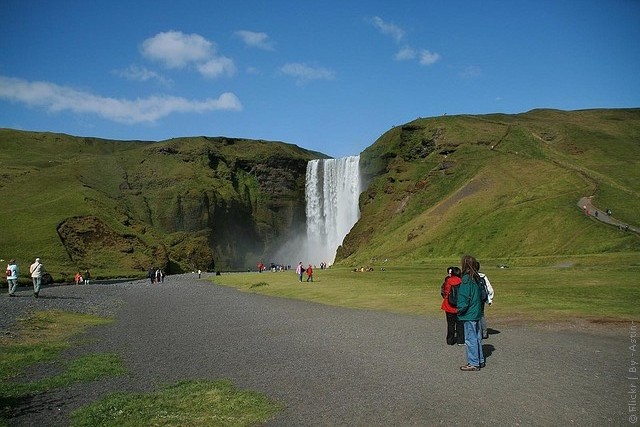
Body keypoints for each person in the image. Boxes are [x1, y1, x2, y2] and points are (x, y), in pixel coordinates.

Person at [456, 254, 485, 371]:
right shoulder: (477, 278)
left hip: (470, 312)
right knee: (477, 337)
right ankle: (480, 359)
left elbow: (464, 297)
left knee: (470, 338)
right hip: (477, 311)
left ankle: (473, 362)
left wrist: (459, 309)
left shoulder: (467, 279)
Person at [440, 266, 464, 345]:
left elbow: (446, 291)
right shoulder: (461, 281)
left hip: (448, 305)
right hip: (459, 305)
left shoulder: (448, 280)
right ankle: (460, 340)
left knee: (450, 324)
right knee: (460, 324)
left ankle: (450, 340)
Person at [475, 260, 495, 339]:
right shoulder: (482, 276)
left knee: (476, 315)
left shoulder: (471, 276)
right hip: (482, 298)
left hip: (475, 298)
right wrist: (490, 299)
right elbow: (489, 288)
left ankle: (479, 333)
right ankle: (484, 332)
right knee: (481, 314)